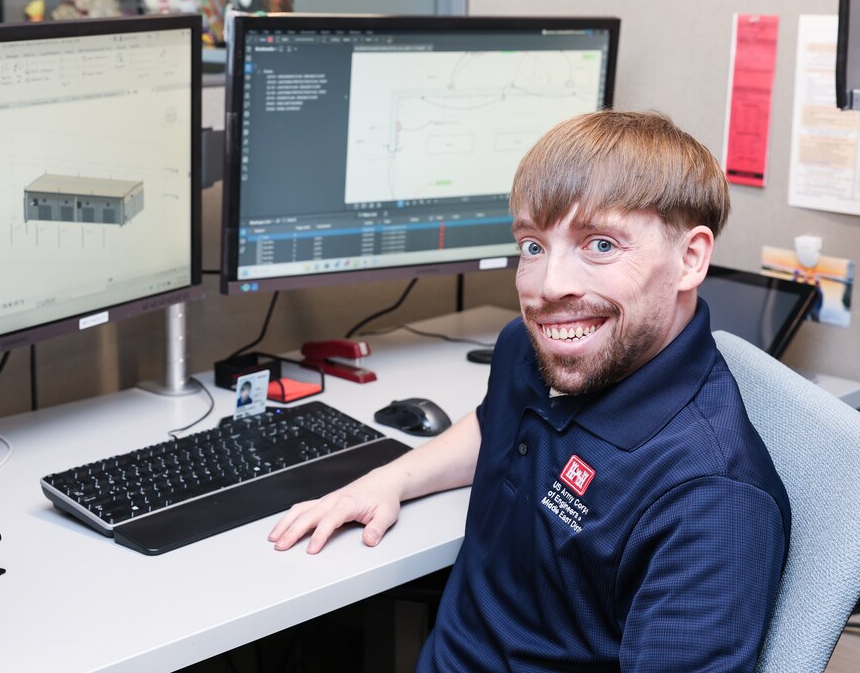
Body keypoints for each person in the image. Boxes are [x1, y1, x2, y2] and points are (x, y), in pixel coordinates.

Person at [268, 111, 791, 671]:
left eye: (601, 245)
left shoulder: (711, 502)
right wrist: (389, 480)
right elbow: (496, 424)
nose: (549, 287)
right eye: (534, 246)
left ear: (690, 259)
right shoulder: (534, 346)